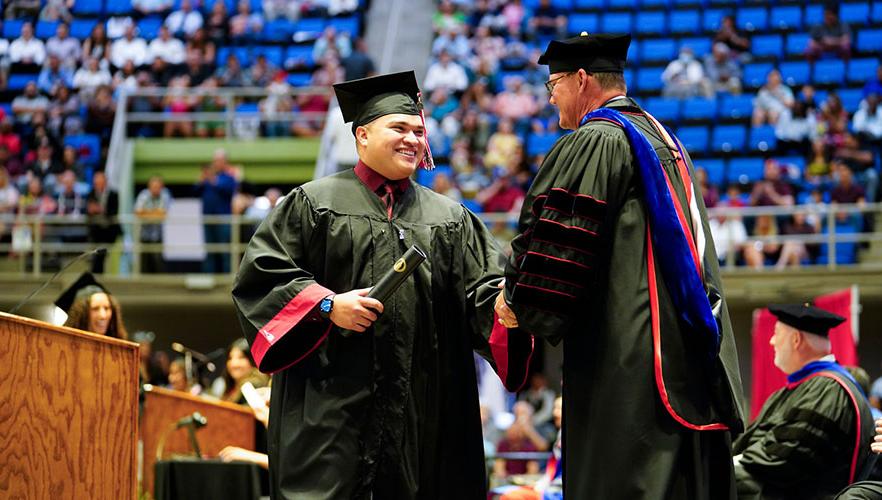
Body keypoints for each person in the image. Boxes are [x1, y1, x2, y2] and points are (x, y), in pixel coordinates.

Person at [232, 71, 533, 499]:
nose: (413, 139)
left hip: (423, 417)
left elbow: (484, 294)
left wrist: (511, 304)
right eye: (400, 128)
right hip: (332, 416)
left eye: (419, 131)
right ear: (363, 134)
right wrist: (327, 305)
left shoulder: (450, 219)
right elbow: (262, 276)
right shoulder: (314, 204)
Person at [495, 33, 746, 499]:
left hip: (630, 362)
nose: (550, 96)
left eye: (554, 83)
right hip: (686, 358)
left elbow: (557, 240)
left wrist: (516, 301)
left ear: (582, 79)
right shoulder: (665, 140)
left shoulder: (596, 141)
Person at [732, 304, 874, 499]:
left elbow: (788, 456)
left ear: (796, 340)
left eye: (776, 333)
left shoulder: (828, 389)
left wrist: (726, 467)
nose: (772, 341)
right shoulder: (802, 388)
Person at [57, 272, 128, 339]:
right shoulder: (65, 349)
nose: (103, 315)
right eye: (95, 309)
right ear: (82, 314)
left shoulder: (120, 350)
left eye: (106, 308)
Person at [134, 175, 172, 273]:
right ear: (149, 187)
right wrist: (155, 213)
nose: (155, 189)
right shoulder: (143, 194)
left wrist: (147, 213)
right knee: (144, 265)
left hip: (157, 236)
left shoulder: (165, 194)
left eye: (158, 187)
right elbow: (138, 213)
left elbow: (162, 214)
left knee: (158, 264)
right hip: (144, 235)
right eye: (153, 187)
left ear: (161, 187)